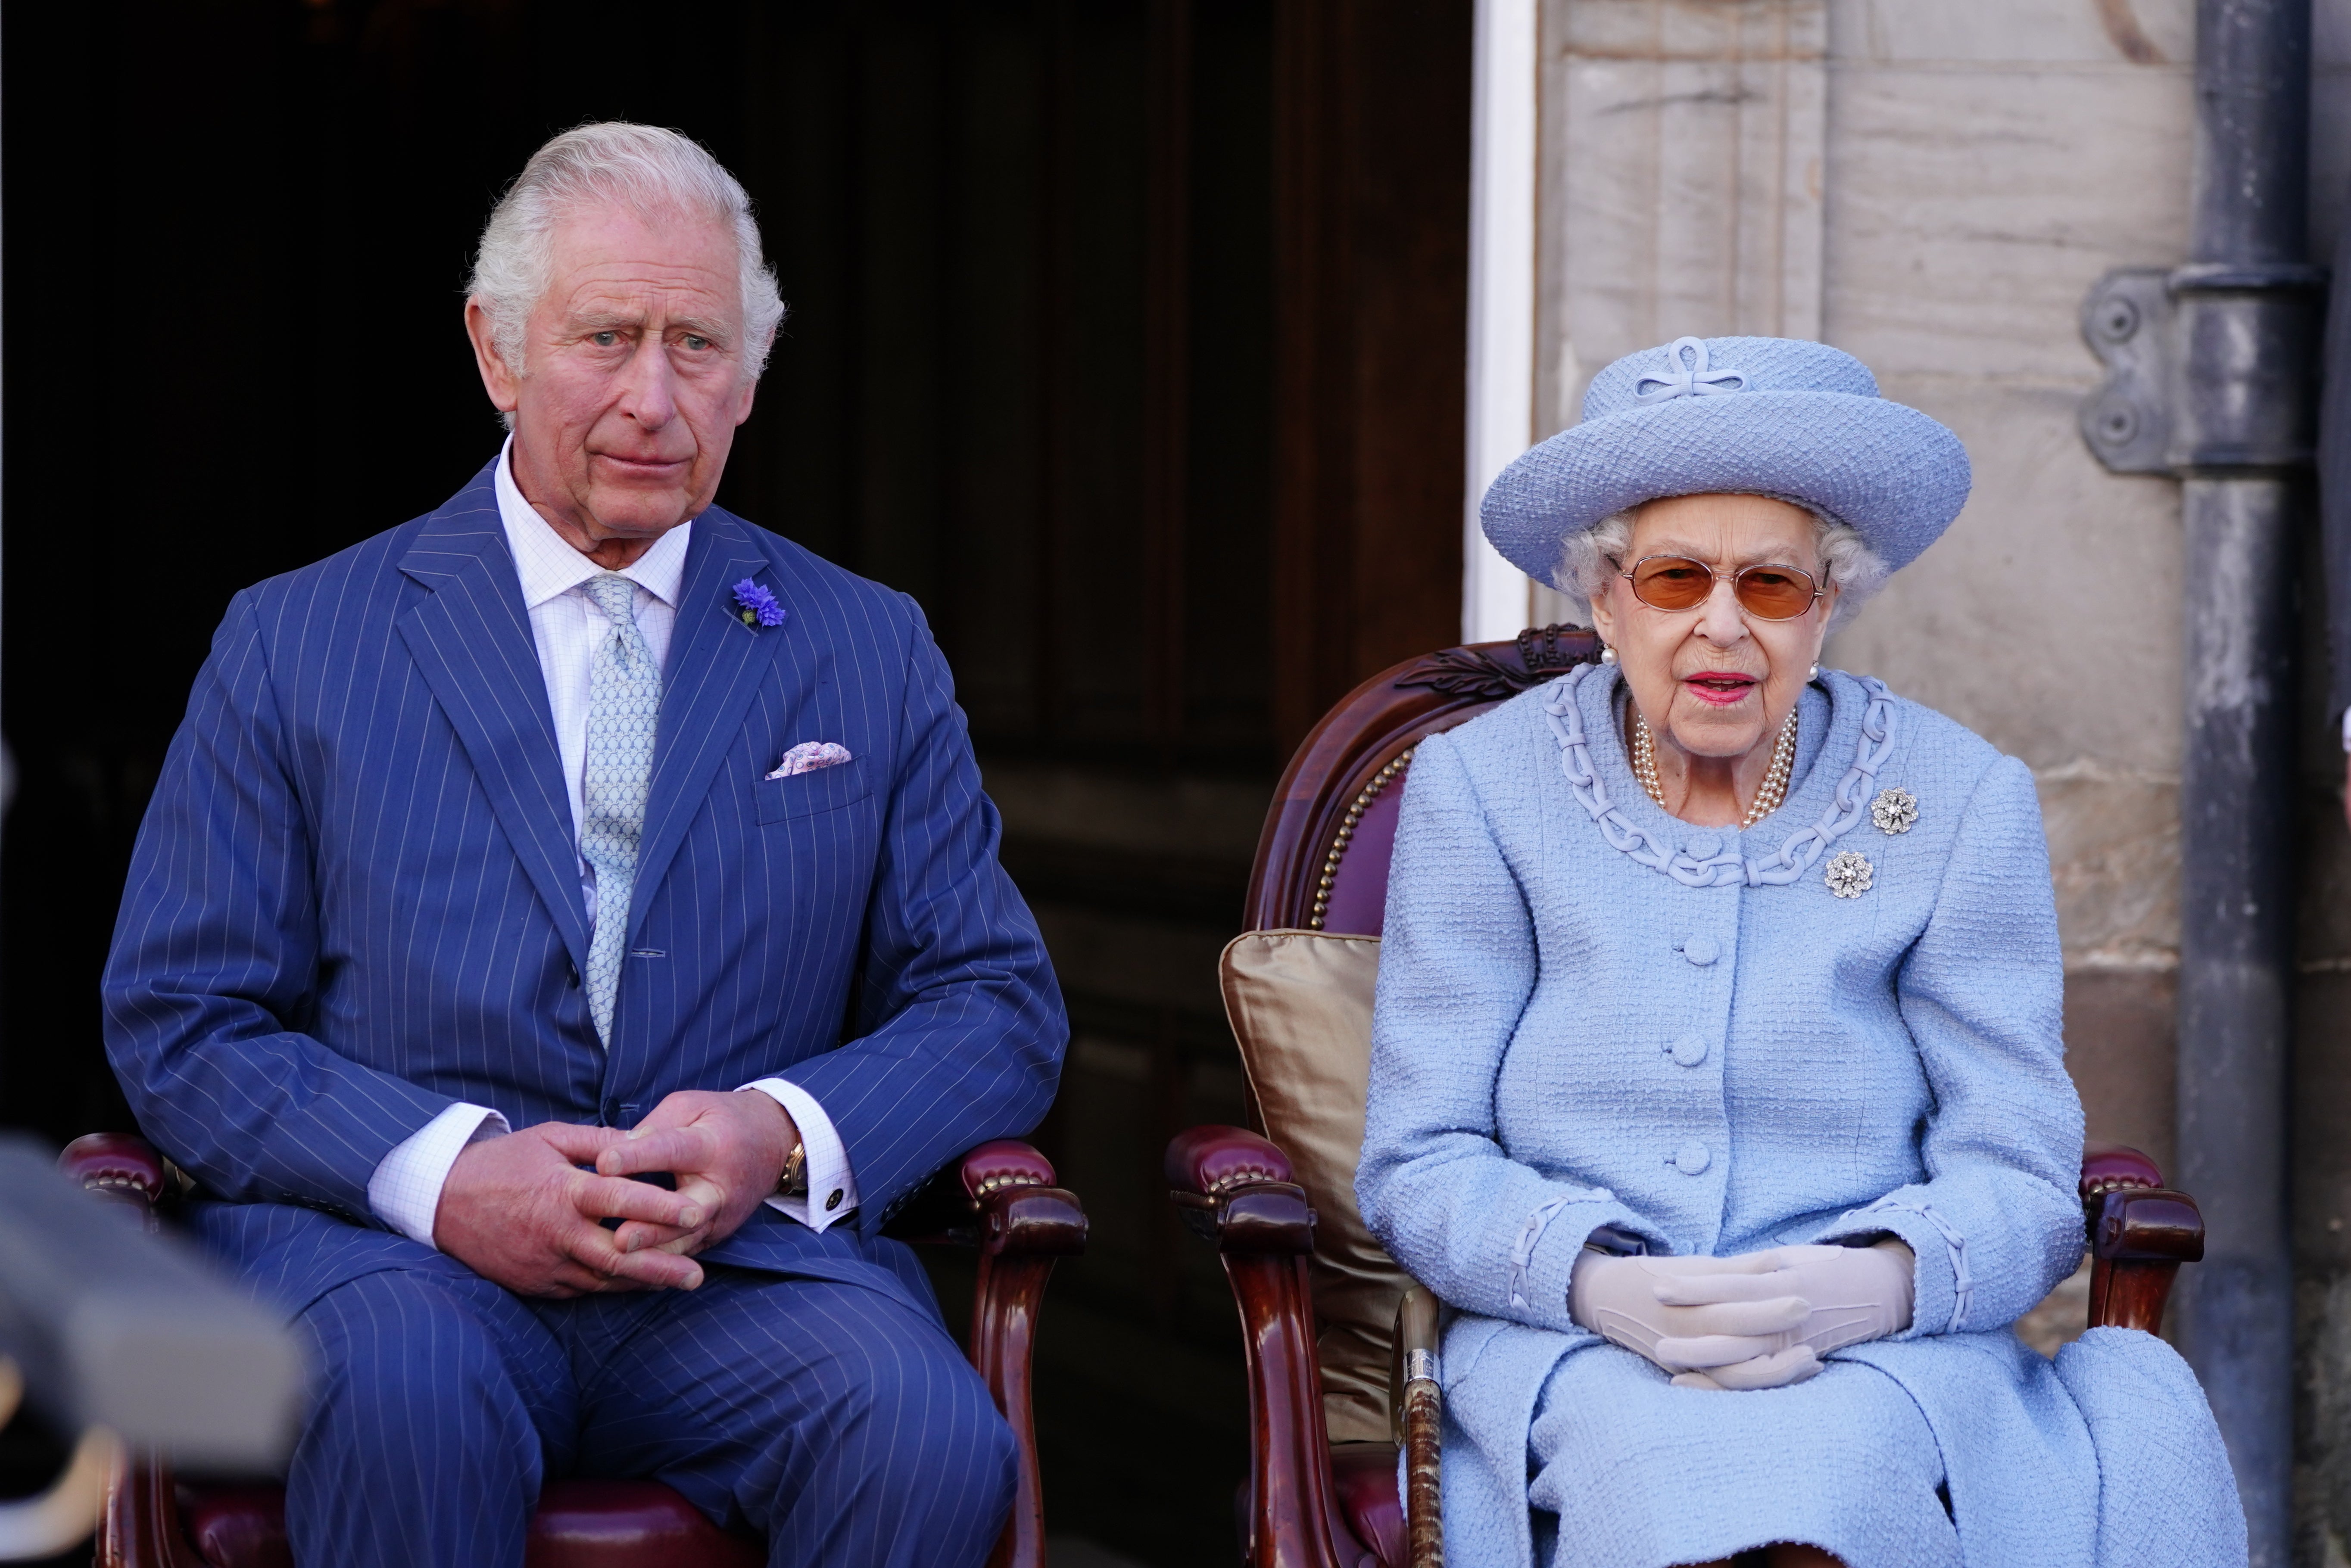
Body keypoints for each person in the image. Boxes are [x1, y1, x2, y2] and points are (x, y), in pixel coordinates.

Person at [100, 123, 1065, 1568]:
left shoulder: (868, 646)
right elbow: (180, 1019)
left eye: (698, 345)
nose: (654, 399)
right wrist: (446, 1174)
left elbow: (994, 1003)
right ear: (496, 353)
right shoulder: (298, 639)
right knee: (408, 1402)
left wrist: (775, 1133)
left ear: (753, 371)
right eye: (606, 338)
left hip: (740, 1273)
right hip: (394, 1265)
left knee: (926, 1434)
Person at [1355, 336, 2244, 1568]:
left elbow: (2024, 1172)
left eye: (1770, 586)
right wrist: (1597, 1283)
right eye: (1676, 578)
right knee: (1668, 1482)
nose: (1723, 626)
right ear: (1604, 596)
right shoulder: (1483, 789)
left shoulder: (1954, 797)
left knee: (1840, 1472)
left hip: (1875, 1359)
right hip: (1580, 1350)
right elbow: (1420, 1156)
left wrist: (1875, 1285)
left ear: (1829, 602)